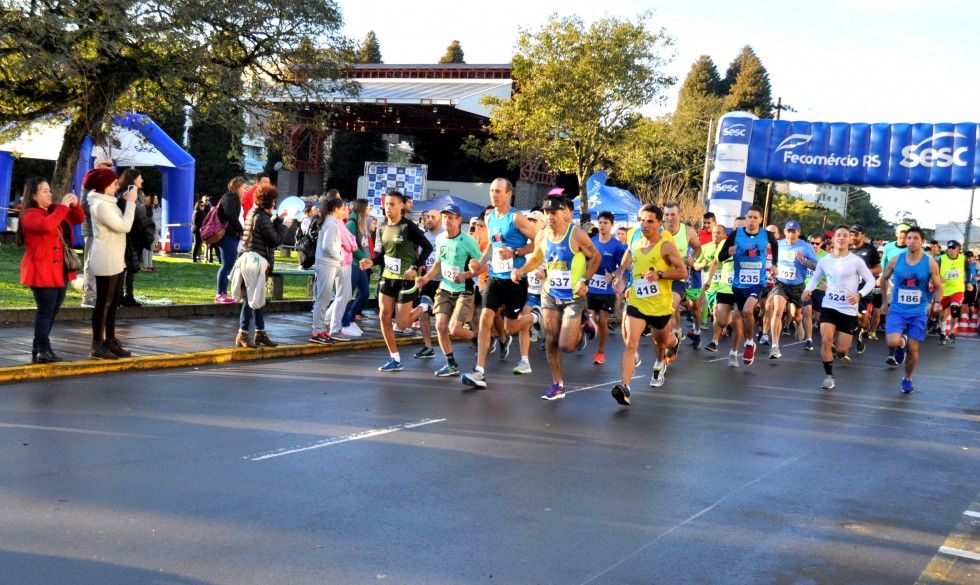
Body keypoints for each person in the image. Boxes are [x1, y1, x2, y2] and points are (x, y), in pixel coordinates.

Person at [513, 195, 600, 400]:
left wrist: (585, 281)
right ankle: (557, 385)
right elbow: (537, 257)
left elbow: (596, 257)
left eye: (553, 212)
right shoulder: (542, 235)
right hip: (550, 293)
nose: (550, 216)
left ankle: (584, 323)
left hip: (573, 296)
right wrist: (521, 271)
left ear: (563, 213)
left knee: (567, 346)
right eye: (546, 212)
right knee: (550, 338)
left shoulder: (577, 235)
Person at [461, 179, 538, 389]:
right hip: (494, 278)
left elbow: (538, 242)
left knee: (510, 327)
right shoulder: (489, 216)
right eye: (491, 191)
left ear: (509, 194)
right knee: (486, 318)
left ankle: (535, 316)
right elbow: (492, 248)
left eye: (498, 192)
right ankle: (479, 372)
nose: (494, 195)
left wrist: (515, 252)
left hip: (514, 279)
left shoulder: (517, 218)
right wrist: (479, 261)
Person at [610, 204, 687, 404]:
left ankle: (671, 346)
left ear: (660, 224)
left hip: (660, 305)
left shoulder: (666, 245)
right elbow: (629, 253)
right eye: (642, 220)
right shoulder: (635, 238)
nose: (644, 224)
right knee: (630, 343)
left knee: (661, 342)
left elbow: (682, 272)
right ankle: (625, 387)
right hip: (637, 300)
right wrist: (620, 273)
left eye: (650, 221)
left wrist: (660, 274)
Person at [364, 190, 434, 372]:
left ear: (401, 205)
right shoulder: (382, 227)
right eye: (386, 204)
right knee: (384, 316)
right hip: (387, 277)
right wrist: (370, 261)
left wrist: (414, 267)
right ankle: (394, 358)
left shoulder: (409, 227)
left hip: (406, 280)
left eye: (392, 204)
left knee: (402, 324)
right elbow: (383, 255)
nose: (388, 208)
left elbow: (427, 247)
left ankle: (424, 306)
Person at [17, 177, 85, 363]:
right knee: (45, 310)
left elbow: (78, 218)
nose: (50, 194)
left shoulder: (54, 209)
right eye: (45, 191)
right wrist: (62, 207)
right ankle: (44, 350)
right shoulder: (30, 214)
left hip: (60, 270)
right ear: (34, 195)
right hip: (41, 269)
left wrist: (75, 204)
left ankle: (38, 346)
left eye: (49, 190)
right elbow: (46, 226)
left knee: (52, 310)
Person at [802, 226, 875, 390]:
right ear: (833, 239)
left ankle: (844, 346)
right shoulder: (825, 260)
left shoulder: (856, 261)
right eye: (838, 235)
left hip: (848, 309)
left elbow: (870, 281)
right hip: (829, 305)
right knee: (826, 341)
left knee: (842, 349)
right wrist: (808, 290)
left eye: (845, 236)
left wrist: (859, 294)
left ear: (850, 239)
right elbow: (815, 278)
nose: (841, 238)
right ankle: (828, 376)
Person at [414, 204, 483, 377]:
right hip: (445, 288)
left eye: (451, 217)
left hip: (464, 290)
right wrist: (426, 278)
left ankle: (477, 339)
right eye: (445, 217)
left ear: (459, 220)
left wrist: (466, 275)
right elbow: (438, 264)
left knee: (455, 329)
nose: (447, 221)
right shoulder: (440, 239)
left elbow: (483, 267)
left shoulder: (468, 241)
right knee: (440, 325)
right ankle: (451, 364)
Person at [879, 226, 943, 393]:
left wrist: (936, 301)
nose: (912, 241)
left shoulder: (930, 263)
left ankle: (907, 378)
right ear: (905, 240)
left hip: (919, 311)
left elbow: (938, 287)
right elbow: (883, 278)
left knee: (913, 349)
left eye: (916, 238)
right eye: (909, 238)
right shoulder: (895, 260)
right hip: (898, 309)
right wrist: (885, 301)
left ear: (922, 242)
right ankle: (900, 344)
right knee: (892, 341)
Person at [85, 167, 137, 359]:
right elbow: (124, 225)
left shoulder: (108, 202)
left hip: (115, 257)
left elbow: (120, 222)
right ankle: (97, 344)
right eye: (114, 183)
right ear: (104, 185)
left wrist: (125, 202)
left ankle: (110, 340)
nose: (117, 185)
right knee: (104, 303)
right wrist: (130, 203)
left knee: (113, 301)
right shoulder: (101, 205)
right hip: (106, 258)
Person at [716, 205, 778, 365]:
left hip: (758, 282)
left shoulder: (767, 235)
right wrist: (728, 252)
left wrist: (775, 264)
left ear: (761, 220)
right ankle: (737, 349)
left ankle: (749, 343)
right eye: (749, 217)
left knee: (747, 310)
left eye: (755, 217)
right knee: (740, 317)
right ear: (746, 218)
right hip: (738, 284)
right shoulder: (736, 234)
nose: (752, 220)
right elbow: (721, 256)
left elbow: (775, 245)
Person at [235, 187, 291, 348]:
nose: (274, 204)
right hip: (255, 262)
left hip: (248, 260)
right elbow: (274, 239)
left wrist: (278, 219)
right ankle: (243, 334)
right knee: (251, 299)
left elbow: (264, 230)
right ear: (269, 202)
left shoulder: (256, 213)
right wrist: (285, 226)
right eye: (273, 202)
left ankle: (260, 332)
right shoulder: (261, 217)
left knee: (256, 298)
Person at [767, 220, 818, 359]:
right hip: (781, 283)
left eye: (794, 231)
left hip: (798, 286)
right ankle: (775, 347)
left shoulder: (806, 247)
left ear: (798, 232)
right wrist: (773, 268)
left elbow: (817, 267)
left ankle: (799, 323)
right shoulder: (778, 245)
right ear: (784, 232)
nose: (791, 234)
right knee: (777, 310)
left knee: (797, 315)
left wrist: (804, 261)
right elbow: (772, 260)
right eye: (789, 231)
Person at [310, 197, 356, 343]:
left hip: (330, 263)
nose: (345, 210)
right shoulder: (331, 223)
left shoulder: (331, 222)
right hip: (327, 263)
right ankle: (317, 330)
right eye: (342, 208)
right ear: (336, 209)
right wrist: (340, 257)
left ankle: (321, 329)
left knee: (325, 297)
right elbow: (327, 246)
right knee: (323, 298)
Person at [586, 211, 627, 365]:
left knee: (603, 321)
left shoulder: (617, 246)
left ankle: (600, 352)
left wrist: (615, 275)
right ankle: (585, 334)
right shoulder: (591, 241)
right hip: (591, 286)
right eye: (600, 222)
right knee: (589, 317)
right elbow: (585, 260)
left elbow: (623, 266)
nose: (602, 225)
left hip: (607, 289)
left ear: (611, 225)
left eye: (606, 223)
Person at [116, 168, 155, 308]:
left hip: (137, 235)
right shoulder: (124, 195)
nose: (142, 180)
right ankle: (121, 296)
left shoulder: (139, 194)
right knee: (126, 267)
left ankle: (128, 296)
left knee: (132, 267)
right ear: (133, 179)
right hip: (128, 236)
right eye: (140, 177)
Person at [80, 156, 114, 308]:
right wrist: (101, 217)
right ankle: (89, 296)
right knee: (90, 262)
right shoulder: (90, 180)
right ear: (99, 165)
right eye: (108, 164)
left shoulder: (108, 181)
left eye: (112, 165)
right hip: (92, 229)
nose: (111, 167)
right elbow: (84, 204)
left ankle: (100, 295)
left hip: (106, 229)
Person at [414, 210, 445, 359]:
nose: (429, 219)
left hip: (444, 281)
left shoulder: (445, 235)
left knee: (443, 318)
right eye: (428, 217)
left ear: (440, 220)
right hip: (428, 280)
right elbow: (420, 258)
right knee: (423, 312)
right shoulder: (424, 237)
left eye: (433, 217)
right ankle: (428, 347)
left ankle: (475, 339)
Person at [848, 225, 881, 354]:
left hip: (864, 290)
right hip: (849, 289)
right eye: (851, 234)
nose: (853, 237)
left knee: (863, 319)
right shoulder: (847, 248)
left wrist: (867, 272)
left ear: (863, 235)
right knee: (848, 316)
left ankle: (863, 331)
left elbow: (879, 268)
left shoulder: (870, 249)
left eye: (856, 234)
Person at [343, 199, 373, 334]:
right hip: (353, 264)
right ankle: (344, 322)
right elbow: (351, 246)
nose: (370, 210)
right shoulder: (352, 223)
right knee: (347, 295)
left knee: (365, 293)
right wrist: (364, 258)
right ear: (362, 208)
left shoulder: (363, 223)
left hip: (361, 265)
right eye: (368, 207)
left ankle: (349, 319)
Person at [215, 177, 246, 304]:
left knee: (229, 264)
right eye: (243, 187)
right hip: (227, 236)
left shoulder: (234, 199)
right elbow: (230, 216)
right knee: (226, 264)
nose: (245, 190)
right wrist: (241, 229)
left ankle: (223, 292)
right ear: (237, 187)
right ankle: (220, 293)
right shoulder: (229, 198)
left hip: (232, 235)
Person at [937, 240, 966, 344]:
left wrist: (969, 280)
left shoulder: (963, 258)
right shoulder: (941, 259)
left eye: (953, 248)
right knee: (943, 314)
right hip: (944, 290)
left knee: (955, 309)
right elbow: (934, 272)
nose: (950, 249)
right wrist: (939, 277)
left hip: (957, 289)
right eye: (949, 248)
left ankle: (952, 332)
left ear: (958, 249)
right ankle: (943, 332)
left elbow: (970, 269)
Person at [192, 196, 209, 263]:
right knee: (196, 244)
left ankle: (197, 257)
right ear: (198, 206)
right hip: (196, 230)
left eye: (203, 205)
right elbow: (195, 222)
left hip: (201, 230)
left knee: (199, 244)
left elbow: (204, 221)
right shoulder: (196, 212)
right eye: (201, 205)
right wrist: (201, 227)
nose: (202, 206)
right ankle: (194, 258)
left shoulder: (203, 212)